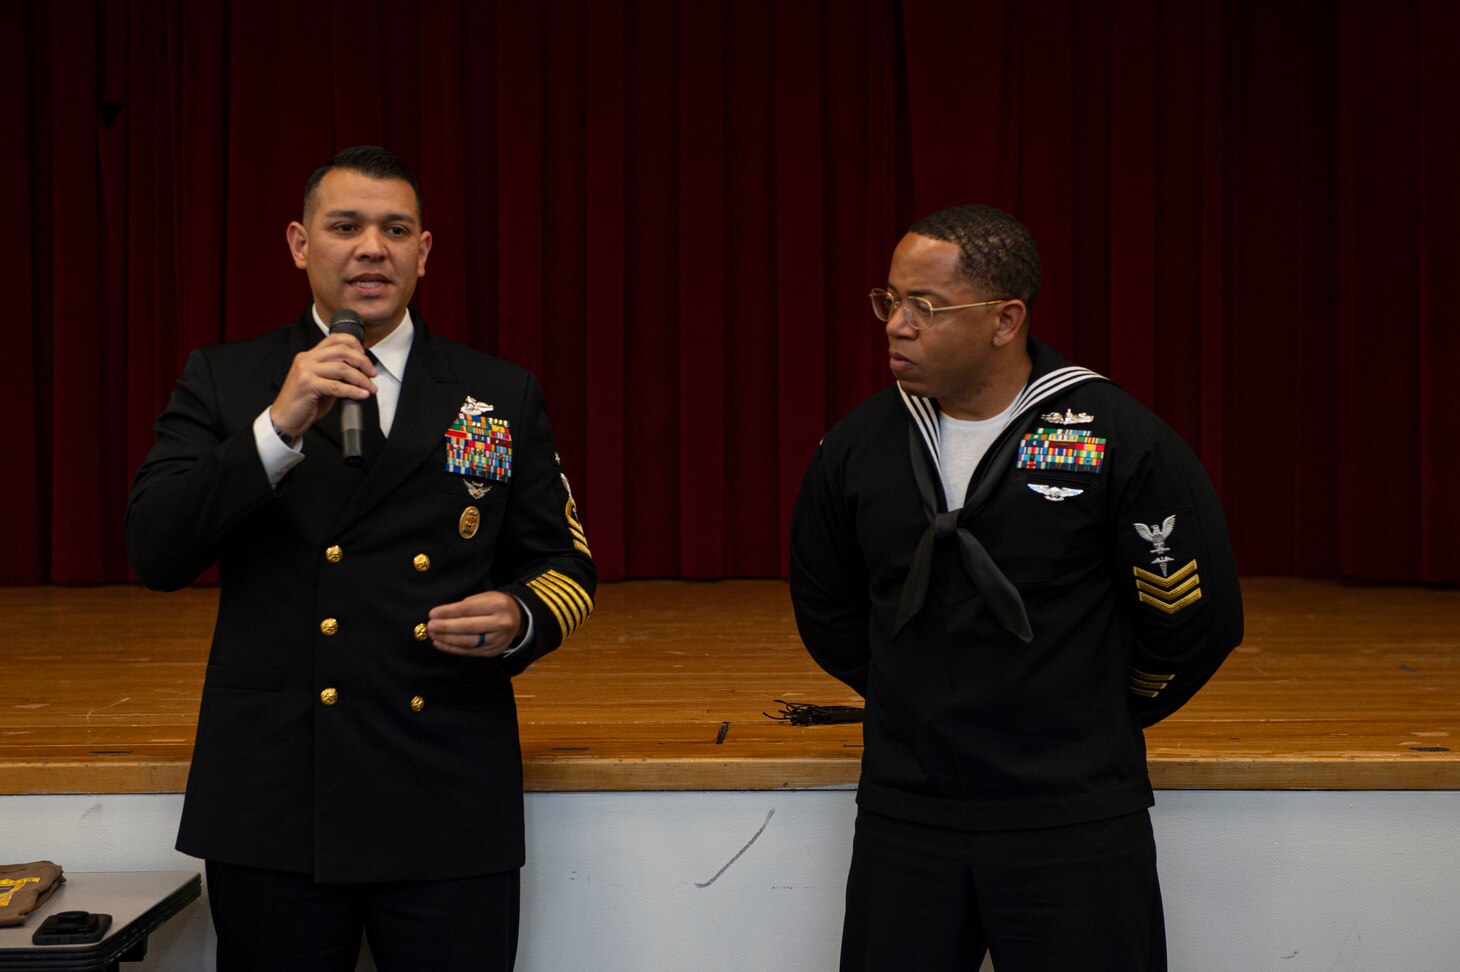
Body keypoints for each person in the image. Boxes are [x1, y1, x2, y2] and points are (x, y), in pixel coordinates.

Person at [126, 146, 595, 971]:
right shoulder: (228, 379)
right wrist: (277, 427)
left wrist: (519, 615)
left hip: (444, 789)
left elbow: (564, 563)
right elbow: (155, 546)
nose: (371, 248)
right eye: (345, 227)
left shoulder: (496, 393)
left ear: (425, 251)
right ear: (301, 245)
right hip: (275, 794)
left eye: (394, 229)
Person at [788, 204, 1242, 971]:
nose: (896, 324)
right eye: (889, 300)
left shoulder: (1118, 439)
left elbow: (1194, 621)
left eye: (924, 307)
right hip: (911, 814)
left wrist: (1086, 706)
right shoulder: (858, 446)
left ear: (1005, 320)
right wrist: (920, 694)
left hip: (1074, 813)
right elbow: (828, 608)